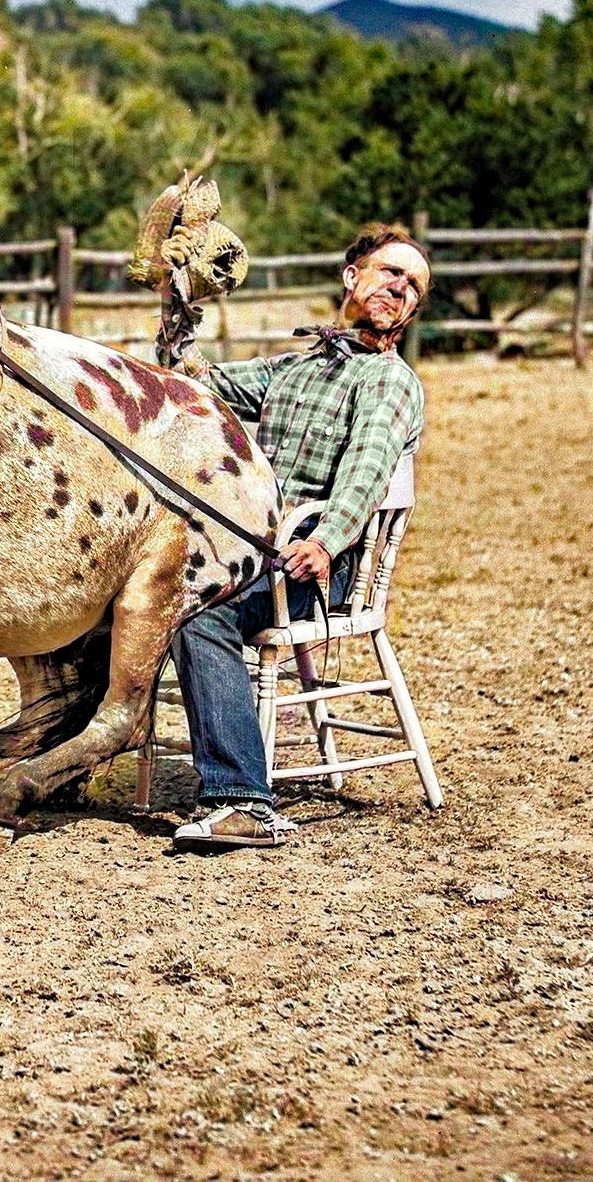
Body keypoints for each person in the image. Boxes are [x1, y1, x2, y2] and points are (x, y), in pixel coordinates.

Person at [163, 223, 431, 852]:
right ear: (352, 277)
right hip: (259, 552)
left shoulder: (388, 381)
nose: (398, 287)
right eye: (389, 271)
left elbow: (365, 473)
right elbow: (195, 381)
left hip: (318, 567)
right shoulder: (302, 367)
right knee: (134, 590)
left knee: (200, 621)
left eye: (412, 284)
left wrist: (327, 541)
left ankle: (243, 802)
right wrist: (180, 304)